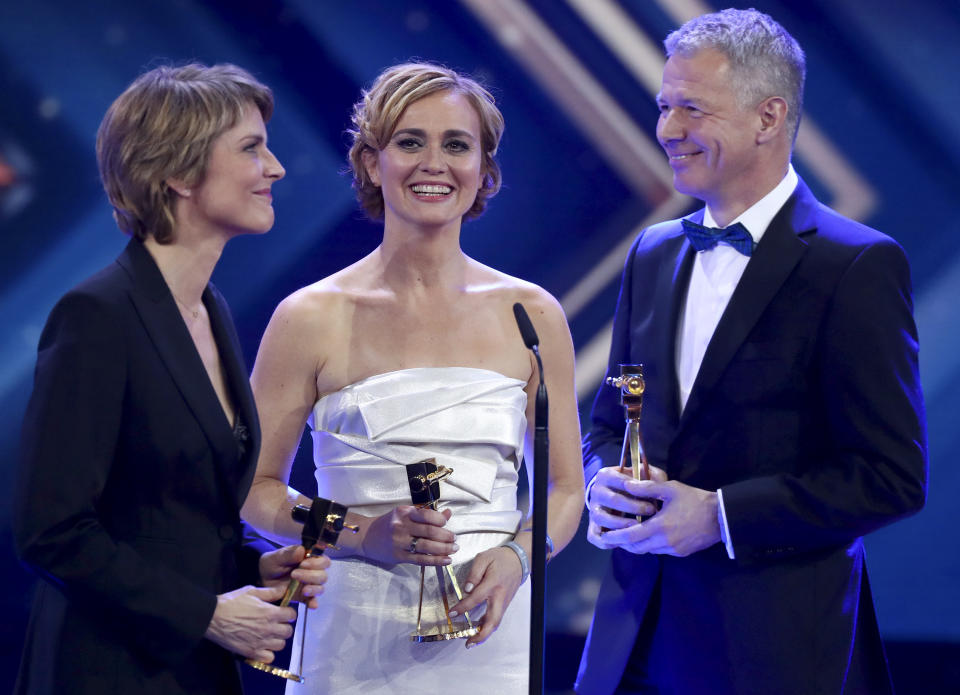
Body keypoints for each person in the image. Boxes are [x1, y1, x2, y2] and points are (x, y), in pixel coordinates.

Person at [576, 9, 927, 695]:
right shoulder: (652, 252)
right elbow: (609, 425)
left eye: (691, 109)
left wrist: (720, 515)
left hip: (771, 658)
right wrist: (601, 483)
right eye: (663, 106)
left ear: (768, 118)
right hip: (629, 643)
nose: (668, 130)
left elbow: (889, 476)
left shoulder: (856, 265)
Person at [241, 61, 585, 694]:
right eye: (409, 141)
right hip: (350, 643)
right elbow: (255, 488)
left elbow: (565, 490)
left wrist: (517, 558)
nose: (434, 162)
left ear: (484, 169)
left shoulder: (530, 314)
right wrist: (362, 534)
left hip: (492, 640)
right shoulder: (309, 317)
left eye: (456, 144)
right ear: (372, 162)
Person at [13, 63, 330, 695]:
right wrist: (207, 614)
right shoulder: (98, 316)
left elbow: (170, 521)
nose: (276, 168)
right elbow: (52, 532)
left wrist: (251, 564)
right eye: (251, 148)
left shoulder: (207, 310)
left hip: (190, 673)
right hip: (108, 669)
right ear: (179, 174)